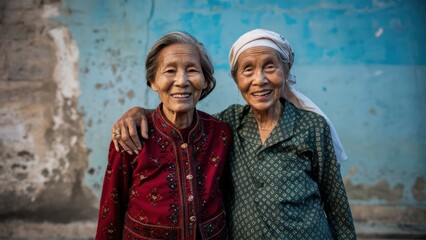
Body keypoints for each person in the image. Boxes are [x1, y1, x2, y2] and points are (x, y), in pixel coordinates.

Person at [111, 29, 356, 239]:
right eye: (247, 70)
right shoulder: (227, 124)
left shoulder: (311, 126)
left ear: (286, 69)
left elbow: (335, 201)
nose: (259, 80)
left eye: (270, 66)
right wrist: (138, 112)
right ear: (236, 78)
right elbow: (180, 118)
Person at [96, 31, 232, 240]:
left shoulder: (221, 133)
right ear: (152, 82)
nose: (182, 81)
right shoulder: (130, 135)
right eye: (170, 71)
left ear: (205, 80)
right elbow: (111, 208)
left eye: (192, 70)